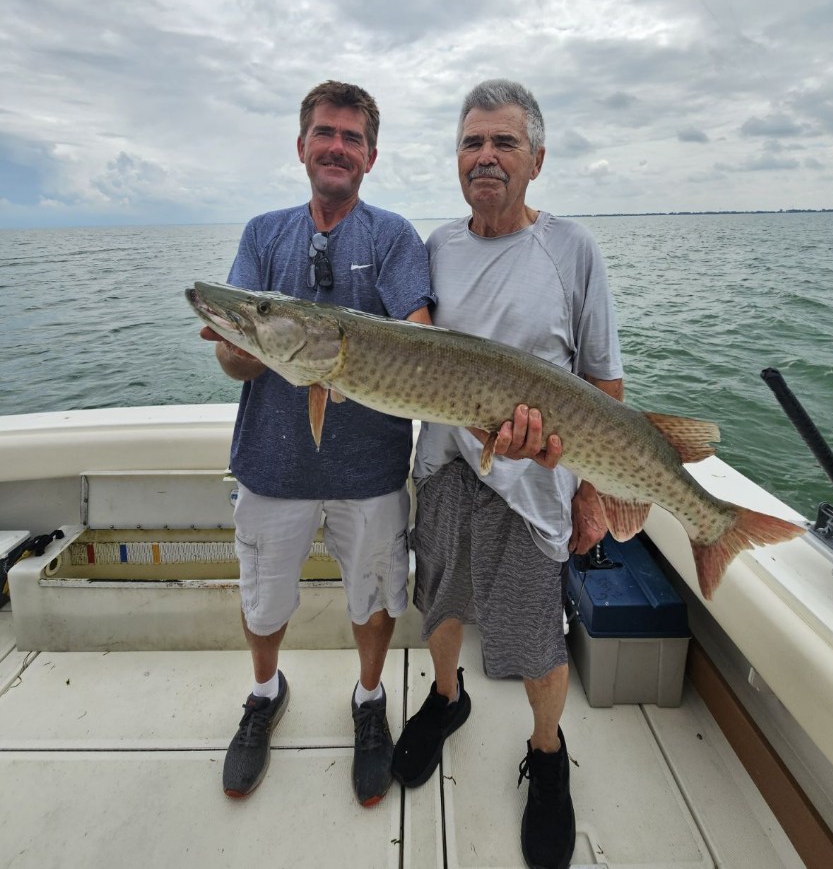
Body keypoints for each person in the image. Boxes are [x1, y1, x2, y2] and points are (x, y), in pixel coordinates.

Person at [391, 79, 623, 869]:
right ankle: (447, 699)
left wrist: (590, 487)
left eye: (503, 142)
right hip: (448, 467)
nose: (485, 156)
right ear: (456, 159)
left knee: (536, 641)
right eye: (471, 143)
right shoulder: (434, 246)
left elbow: (604, 385)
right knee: (441, 602)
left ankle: (548, 751)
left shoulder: (573, 249)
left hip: (533, 488)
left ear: (538, 159)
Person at [200, 80, 434, 808]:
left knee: (372, 594)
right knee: (264, 596)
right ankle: (265, 690)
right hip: (272, 465)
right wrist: (247, 343)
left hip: (369, 470)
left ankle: (369, 700)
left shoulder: (392, 235)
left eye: (353, 137)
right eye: (325, 133)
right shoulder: (263, 233)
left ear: (370, 154)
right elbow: (234, 356)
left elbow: (421, 333)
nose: (338, 146)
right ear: (301, 145)